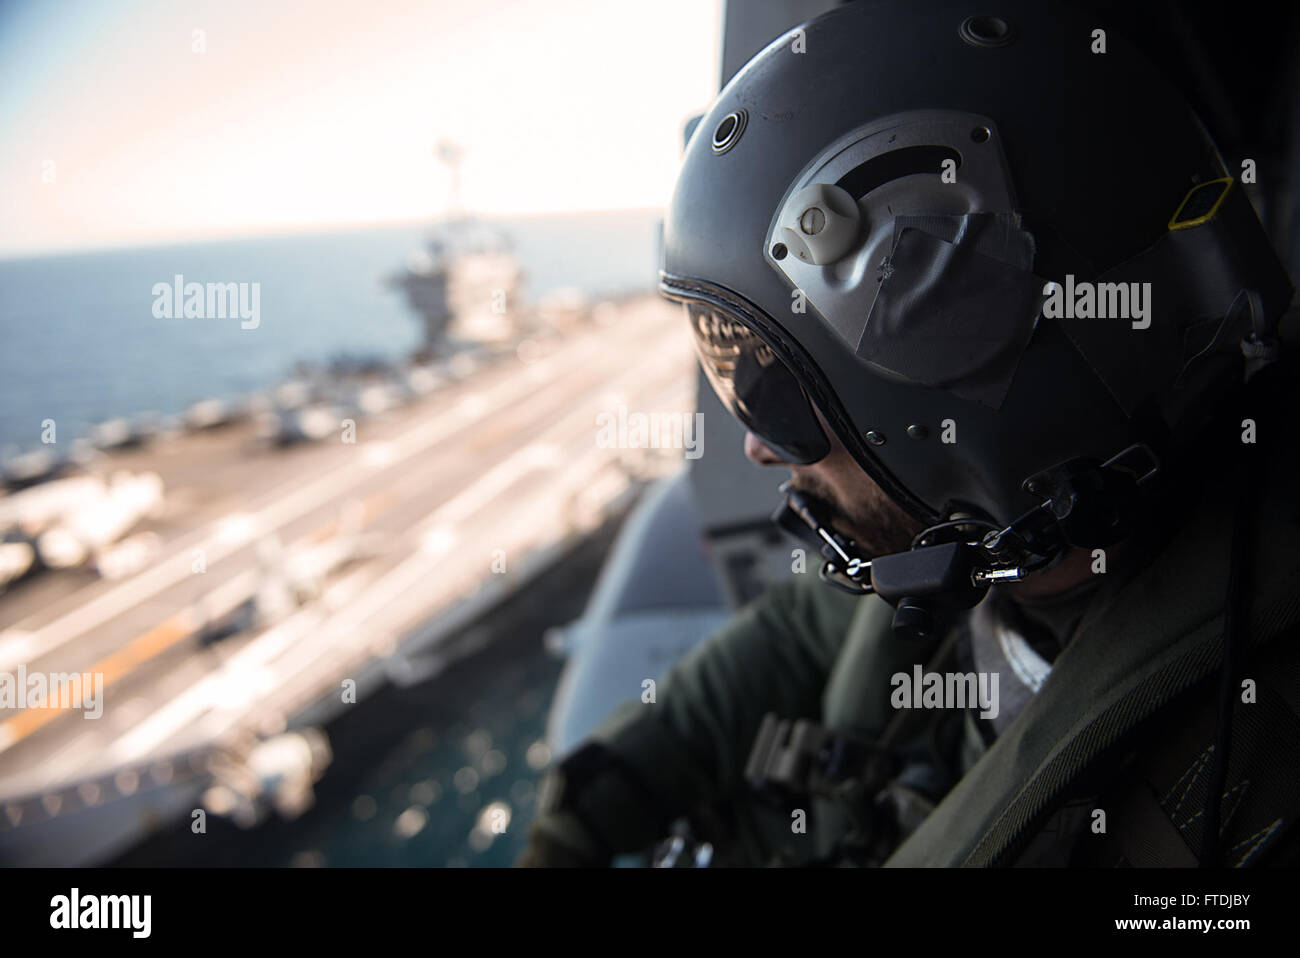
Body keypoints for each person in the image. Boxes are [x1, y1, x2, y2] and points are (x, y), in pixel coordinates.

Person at [517, 0, 1300, 867]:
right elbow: (800, 628)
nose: (758, 448)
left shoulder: (1225, 785)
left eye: (772, 391)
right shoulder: (979, 555)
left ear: (943, 387)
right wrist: (583, 815)